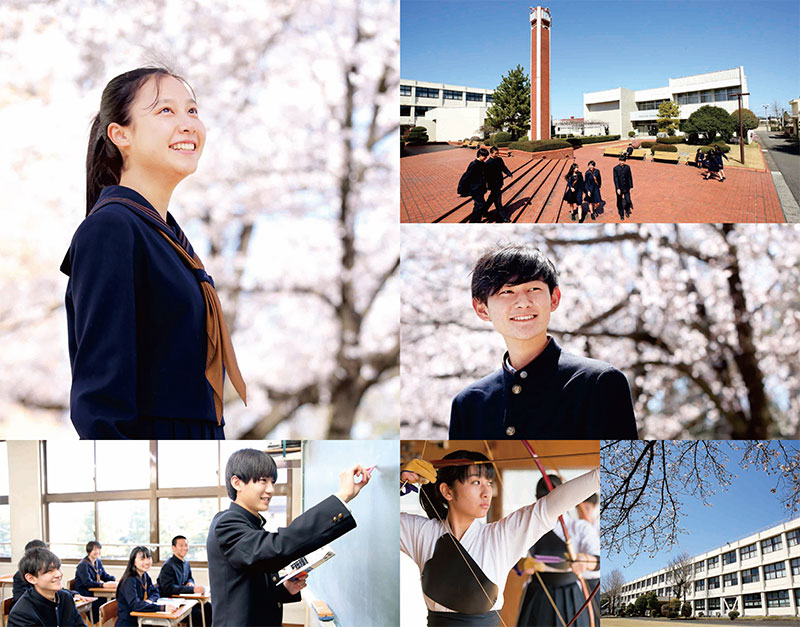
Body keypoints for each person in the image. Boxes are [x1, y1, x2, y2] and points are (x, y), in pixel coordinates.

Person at [60, 66, 246, 439]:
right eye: (166, 111)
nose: (188, 124)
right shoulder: (112, 230)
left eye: (192, 111)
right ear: (120, 134)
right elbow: (100, 405)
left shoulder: (169, 238)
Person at [448, 244, 638, 439]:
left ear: (554, 298)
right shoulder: (468, 405)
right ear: (482, 309)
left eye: (534, 288)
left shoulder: (598, 383)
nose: (523, 302)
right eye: (507, 292)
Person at [400, 451, 600, 627]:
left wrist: (602, 475)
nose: (487, 492)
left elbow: (550, 507)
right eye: (476, 482)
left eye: (489, 483)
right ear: (447, 491)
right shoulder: (422, 533)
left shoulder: (501, 536)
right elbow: (372, 518)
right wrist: (398, 480)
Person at [207, 448, 370, 627]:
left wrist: (285, 589)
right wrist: (342, 497)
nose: (270, 490)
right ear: (237, 483)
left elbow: (249, 586)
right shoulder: (227, 523)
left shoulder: (249, 524)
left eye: (272, 482)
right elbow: (276, 549)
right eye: (262, 481)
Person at [516, 476, 600, 627]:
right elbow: (514, 561)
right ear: (538, 500)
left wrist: (585, 561)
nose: (550, 504)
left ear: (564, 497)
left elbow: (598, 561)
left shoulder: (579, 528)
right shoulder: (530, 528)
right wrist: (522, 566)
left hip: (571, 594)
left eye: (555, 497)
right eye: (544, 499)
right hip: (538, 594)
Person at [8, 548, 84, 627]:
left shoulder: (65, 597)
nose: (58, 574)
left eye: (58, 568)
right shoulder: (22, 614)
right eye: (49, 571)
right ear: (31, 578)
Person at [157, 535, 211, 625]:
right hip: (172, 602)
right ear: (173, 548)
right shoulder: (168, 565)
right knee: (197, 614)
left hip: (185, 600)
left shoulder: (186, 563)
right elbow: (168, 588)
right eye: (181, 546)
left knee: (208, 607)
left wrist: (190, 582)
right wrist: (192, 590)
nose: (185, 548)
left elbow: (190, 577)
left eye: (186, 545)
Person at [116, 546, 167, 627]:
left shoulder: (145, 575)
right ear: (134, 562)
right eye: (142, 559)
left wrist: (149, 600)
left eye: (148, 558)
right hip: (129, 623)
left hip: (142, 619)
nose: (147, 562)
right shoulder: (129, 580)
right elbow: (135, 605)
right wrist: (162, 608)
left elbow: (155, 592)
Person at [74, 540, 116, 622]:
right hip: (85, 593)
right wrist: (103, 585)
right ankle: (98, 622)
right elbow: (87, 583)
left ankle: (106, 622)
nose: (97, 552)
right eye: (94, 550)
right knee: (107, 601)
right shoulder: (83, 565)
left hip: (94, 591)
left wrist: (115, 580)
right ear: (89, 551)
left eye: (99, 549)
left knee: (114, 599)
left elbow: (104, 575)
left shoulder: (98, 562)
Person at [458, 148, 489, 222]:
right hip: (475, 189)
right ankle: (473, 221)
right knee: (480, 205)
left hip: (481, 188)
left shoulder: (483, 164)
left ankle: (476, 220)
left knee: (478, 205)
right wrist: (461, 190)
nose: (486, 158)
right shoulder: (473, 164)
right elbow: (466, 176)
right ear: (480, 155)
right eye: (485, 156)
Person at [484, 146, 513, 222]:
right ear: (491, 153)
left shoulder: (499, 160)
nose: (497, 155)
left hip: (499, 182)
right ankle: (503, 216)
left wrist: (508, 173)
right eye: (495, 153)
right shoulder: (487, 163)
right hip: (493, 184)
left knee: (491, 198)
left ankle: (484, 211)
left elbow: (503, 167)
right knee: (498, 201)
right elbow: (485, 176)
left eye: (498, 153)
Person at [613, 154, 634, 219]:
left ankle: (627, 210)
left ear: (625, 161)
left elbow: (630, 177)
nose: (622, 162)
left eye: (623, 161)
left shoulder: (627, 167)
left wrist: (631, 186)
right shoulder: (615, 168)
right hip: (619, 188)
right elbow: (615, 179)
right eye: (621, 161)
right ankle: (621, 214)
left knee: (628, 200)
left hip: (626, 187)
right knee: (619, 201)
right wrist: (617, 188)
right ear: (619, 160)